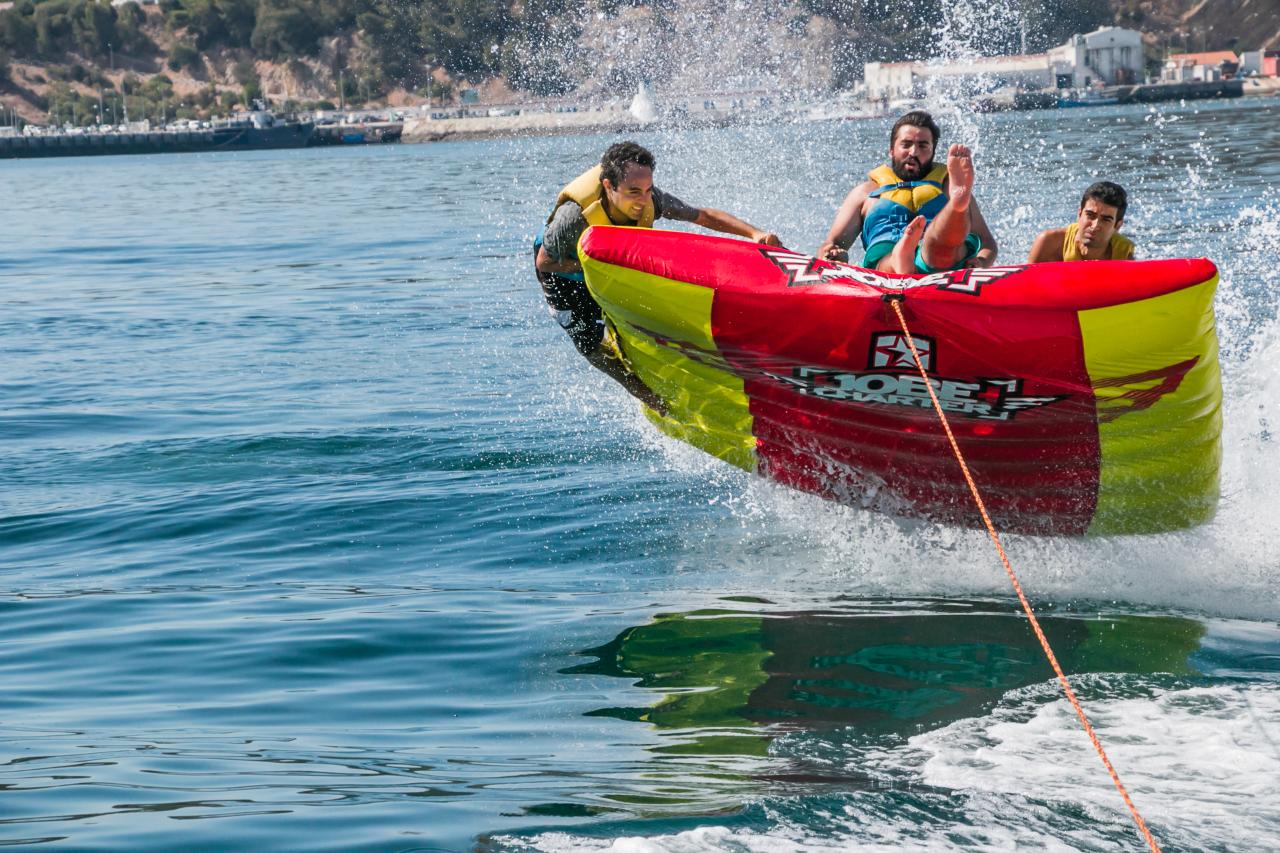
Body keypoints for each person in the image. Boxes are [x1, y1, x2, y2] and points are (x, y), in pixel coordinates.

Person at [535, 141, 779, 407]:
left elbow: (702, 215)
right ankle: (645, 395)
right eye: (634, 192)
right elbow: (544, 262)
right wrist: (595, 265)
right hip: (564, 275)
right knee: (590, 343)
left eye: (648, 190)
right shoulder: (573, 218)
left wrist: (754, 233)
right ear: (608, 186)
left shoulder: (651, 200)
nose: (642, 200)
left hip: (614, 265)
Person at [816, 111, 997, 275]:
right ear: (891, 150)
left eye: (923, 146)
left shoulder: (949, 187)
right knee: (888, 260)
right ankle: (901, 259)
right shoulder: (865, 193)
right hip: (885, 263)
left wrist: (981, 262)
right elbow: (831, 243)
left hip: (941, 265)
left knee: (937, 248)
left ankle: (955, 207)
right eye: (906, 144)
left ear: (933, 151)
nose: (913, 152)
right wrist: (832, 255)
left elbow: (987, 243)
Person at [1026, 181, 1135, 263]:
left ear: (1117, 225)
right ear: (1079, 214)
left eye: (1106, 219)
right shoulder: (1050, 243)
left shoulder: (1125, 254)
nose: (1095, 225)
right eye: (1090, 215)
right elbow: (1025, 282)